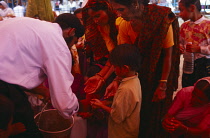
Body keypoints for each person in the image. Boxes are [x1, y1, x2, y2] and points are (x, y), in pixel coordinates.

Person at [0, 13, 84, 137]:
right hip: (4, 88)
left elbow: (13, 72)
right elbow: (63, 103)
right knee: (28, 131)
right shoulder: (58, 44)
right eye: (73, 43)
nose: (70, 47)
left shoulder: (34, 25)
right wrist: (78, 108)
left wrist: (43, 91)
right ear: (71, 32)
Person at [108, 0, 180, 137]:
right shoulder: (124, 24)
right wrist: (117, 80)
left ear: (135, 4)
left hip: (159, 74)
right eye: (116, 10)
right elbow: (125, 55)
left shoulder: (161, 21)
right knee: (138, 112)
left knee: (154, 114)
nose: (118, 14)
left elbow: (167, 57)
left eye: (121, 9)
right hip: (136, 74)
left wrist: (162, 86)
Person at [91, 44, 142, 138]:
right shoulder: (135, 80)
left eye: (115, 67)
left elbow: (117, 116)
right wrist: (107, 102)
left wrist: (101, 105)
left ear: (125, 68)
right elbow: (126, 107)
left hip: (122, 133)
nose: (113, 70)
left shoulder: (126, 89)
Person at [179, 0, 210, 88]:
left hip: (205, 66)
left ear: (192, 8)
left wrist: (199, 49)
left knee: (202, 92)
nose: (180, 14)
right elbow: (180, 42)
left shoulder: (208, 25)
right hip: (188, 64)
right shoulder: (184, 26)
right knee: (187, 88)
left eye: (182, 10)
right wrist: (180, 47)